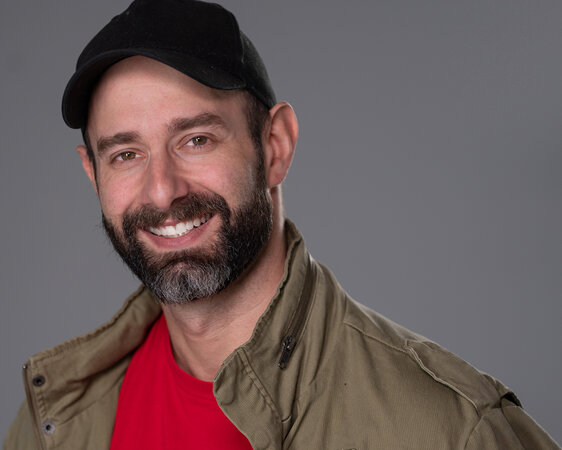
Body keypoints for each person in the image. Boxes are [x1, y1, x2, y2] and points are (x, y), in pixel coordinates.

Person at [4, 1, 560, 449]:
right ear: (93, 174)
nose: (162, 190)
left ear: (275, 146)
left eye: (196, 140)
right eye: (126, 154)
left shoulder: (452, 431)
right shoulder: (59, 415)